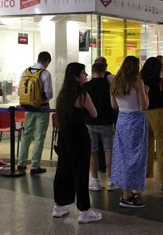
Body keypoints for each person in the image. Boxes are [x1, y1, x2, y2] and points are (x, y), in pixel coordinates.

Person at [52, 62, 102, 224]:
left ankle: (59, 206)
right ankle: (84, 211)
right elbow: (94, 114)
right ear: (76, 76)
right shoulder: (82, 95)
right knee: (81, 172)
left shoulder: (62, 95)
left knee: (63, 170)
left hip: (64, 136)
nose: (86, 76)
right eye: (83, 73)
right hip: (79, 137)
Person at [110, 56, 149, 208]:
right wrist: (146, 92)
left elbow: (113, 105)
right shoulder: (137, 82)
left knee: (123, 156)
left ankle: (126, 189)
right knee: (136, 157)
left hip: (122, 120)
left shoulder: (115, 82)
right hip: (136, 120)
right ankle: (126, 195)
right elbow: (145, 105)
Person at [141, 57, 163, 193]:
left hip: (144, 114)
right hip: (160, 114)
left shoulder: (141, 81)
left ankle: (146, 175)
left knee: (147, 146)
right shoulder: (159, 81)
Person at [17, 51, 53, 175]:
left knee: (27, 134)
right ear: (47, 61)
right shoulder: (45, 74)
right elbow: (49, 94)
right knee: (39, 136)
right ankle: (35, 165)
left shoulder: (25, 71)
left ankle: (21, 163)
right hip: (42, 108)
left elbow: (19, 92)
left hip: (28, 107)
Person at [83, 62, 116, 191]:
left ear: (92, 71)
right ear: (105, 71)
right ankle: (111, 180)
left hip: (89, 123)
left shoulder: (85, 86)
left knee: (92, 151)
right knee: (109, 150)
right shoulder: (109, 85)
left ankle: (95, 181)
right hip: (107, 122)